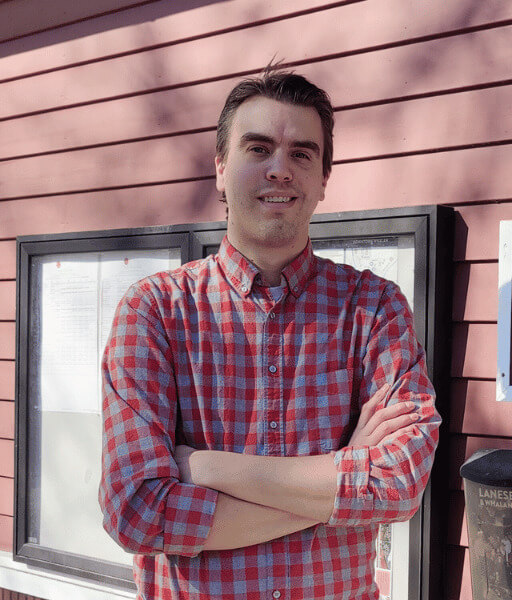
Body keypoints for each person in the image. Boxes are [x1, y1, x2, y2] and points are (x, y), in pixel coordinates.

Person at [98, 67, 440, 599]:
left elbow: (399, 484)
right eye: (258, 148)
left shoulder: (373, 308)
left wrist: (208, 467)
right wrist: (341, 480)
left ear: (324, 178)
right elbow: (136, 512)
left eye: (302, 154)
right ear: (220, 168)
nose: (281, 169)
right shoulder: (155, 312)